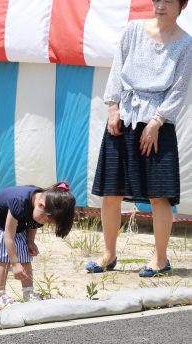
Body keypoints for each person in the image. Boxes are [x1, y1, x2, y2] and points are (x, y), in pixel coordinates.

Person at [88, 0, 192, 277]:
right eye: (156, 0)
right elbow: (116, 69)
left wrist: (156, 121)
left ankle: (160, 258)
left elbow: (179, 90)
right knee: (112, 192)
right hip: (123, 116)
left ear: (182, 5)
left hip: (159, 122)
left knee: (160, 196)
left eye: (167, 1)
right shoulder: (133, 30)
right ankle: (108, 254)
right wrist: (113, 108)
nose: (160, 6)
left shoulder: (186, 44)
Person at [0, 183, 75, 310]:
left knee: (25, 255)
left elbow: (33, 223)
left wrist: (30, 241)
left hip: (16, 224)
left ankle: (28, 293)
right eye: (46, 221)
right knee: (5, 258)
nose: (45, 223)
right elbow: (8, 236)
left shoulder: (42, 203)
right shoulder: (19, 202)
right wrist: (15, 263)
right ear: (41, 205)